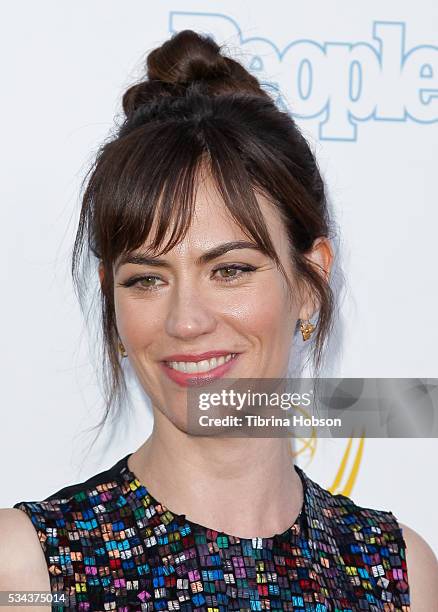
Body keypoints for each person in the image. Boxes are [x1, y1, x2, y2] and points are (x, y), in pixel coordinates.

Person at [1, 29, 437, 611]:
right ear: (111, 297)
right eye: (147, 280)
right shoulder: (29, 569)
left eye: (229, 270)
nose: (186, 321)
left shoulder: (396, 572)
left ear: (309, 282)